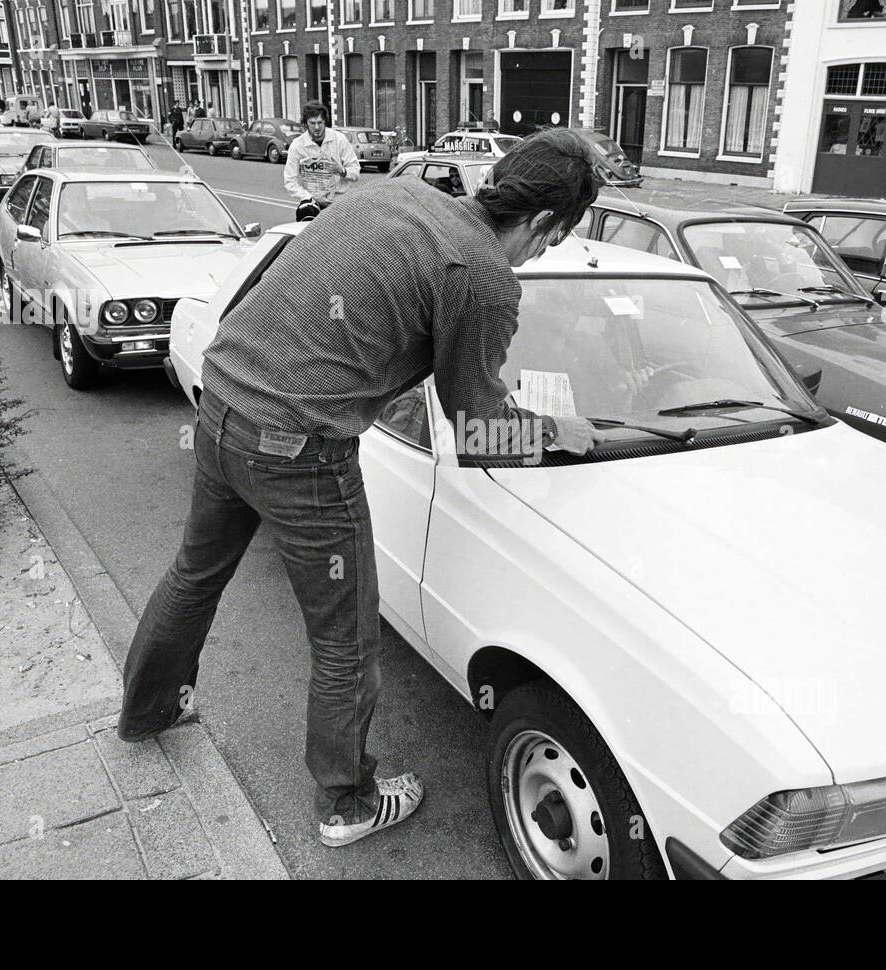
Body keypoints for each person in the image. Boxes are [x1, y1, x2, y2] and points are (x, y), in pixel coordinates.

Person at [117, 129, 602, 850]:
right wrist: (555, 433)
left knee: (194, 575)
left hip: (223, 404)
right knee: (345, 639)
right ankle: (345, 803)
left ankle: (147, 711)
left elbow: (265, 286)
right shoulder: (482, 278)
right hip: (298, 450)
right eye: (553, 241)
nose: (542, 255)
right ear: (543, 223)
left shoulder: (399, 194)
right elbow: (476, 428)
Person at [284, 100, 360, 221]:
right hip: (313, 203)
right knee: (305, 213)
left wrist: (341, 170)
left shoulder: (339, 140)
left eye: (320, 122)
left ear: (325, 122)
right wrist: (307, 197)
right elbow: (290, 181)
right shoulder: (297, 146)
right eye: (312, 123)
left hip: (338, 201)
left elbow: (356, 172)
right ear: (305, 124)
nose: (317, 127)